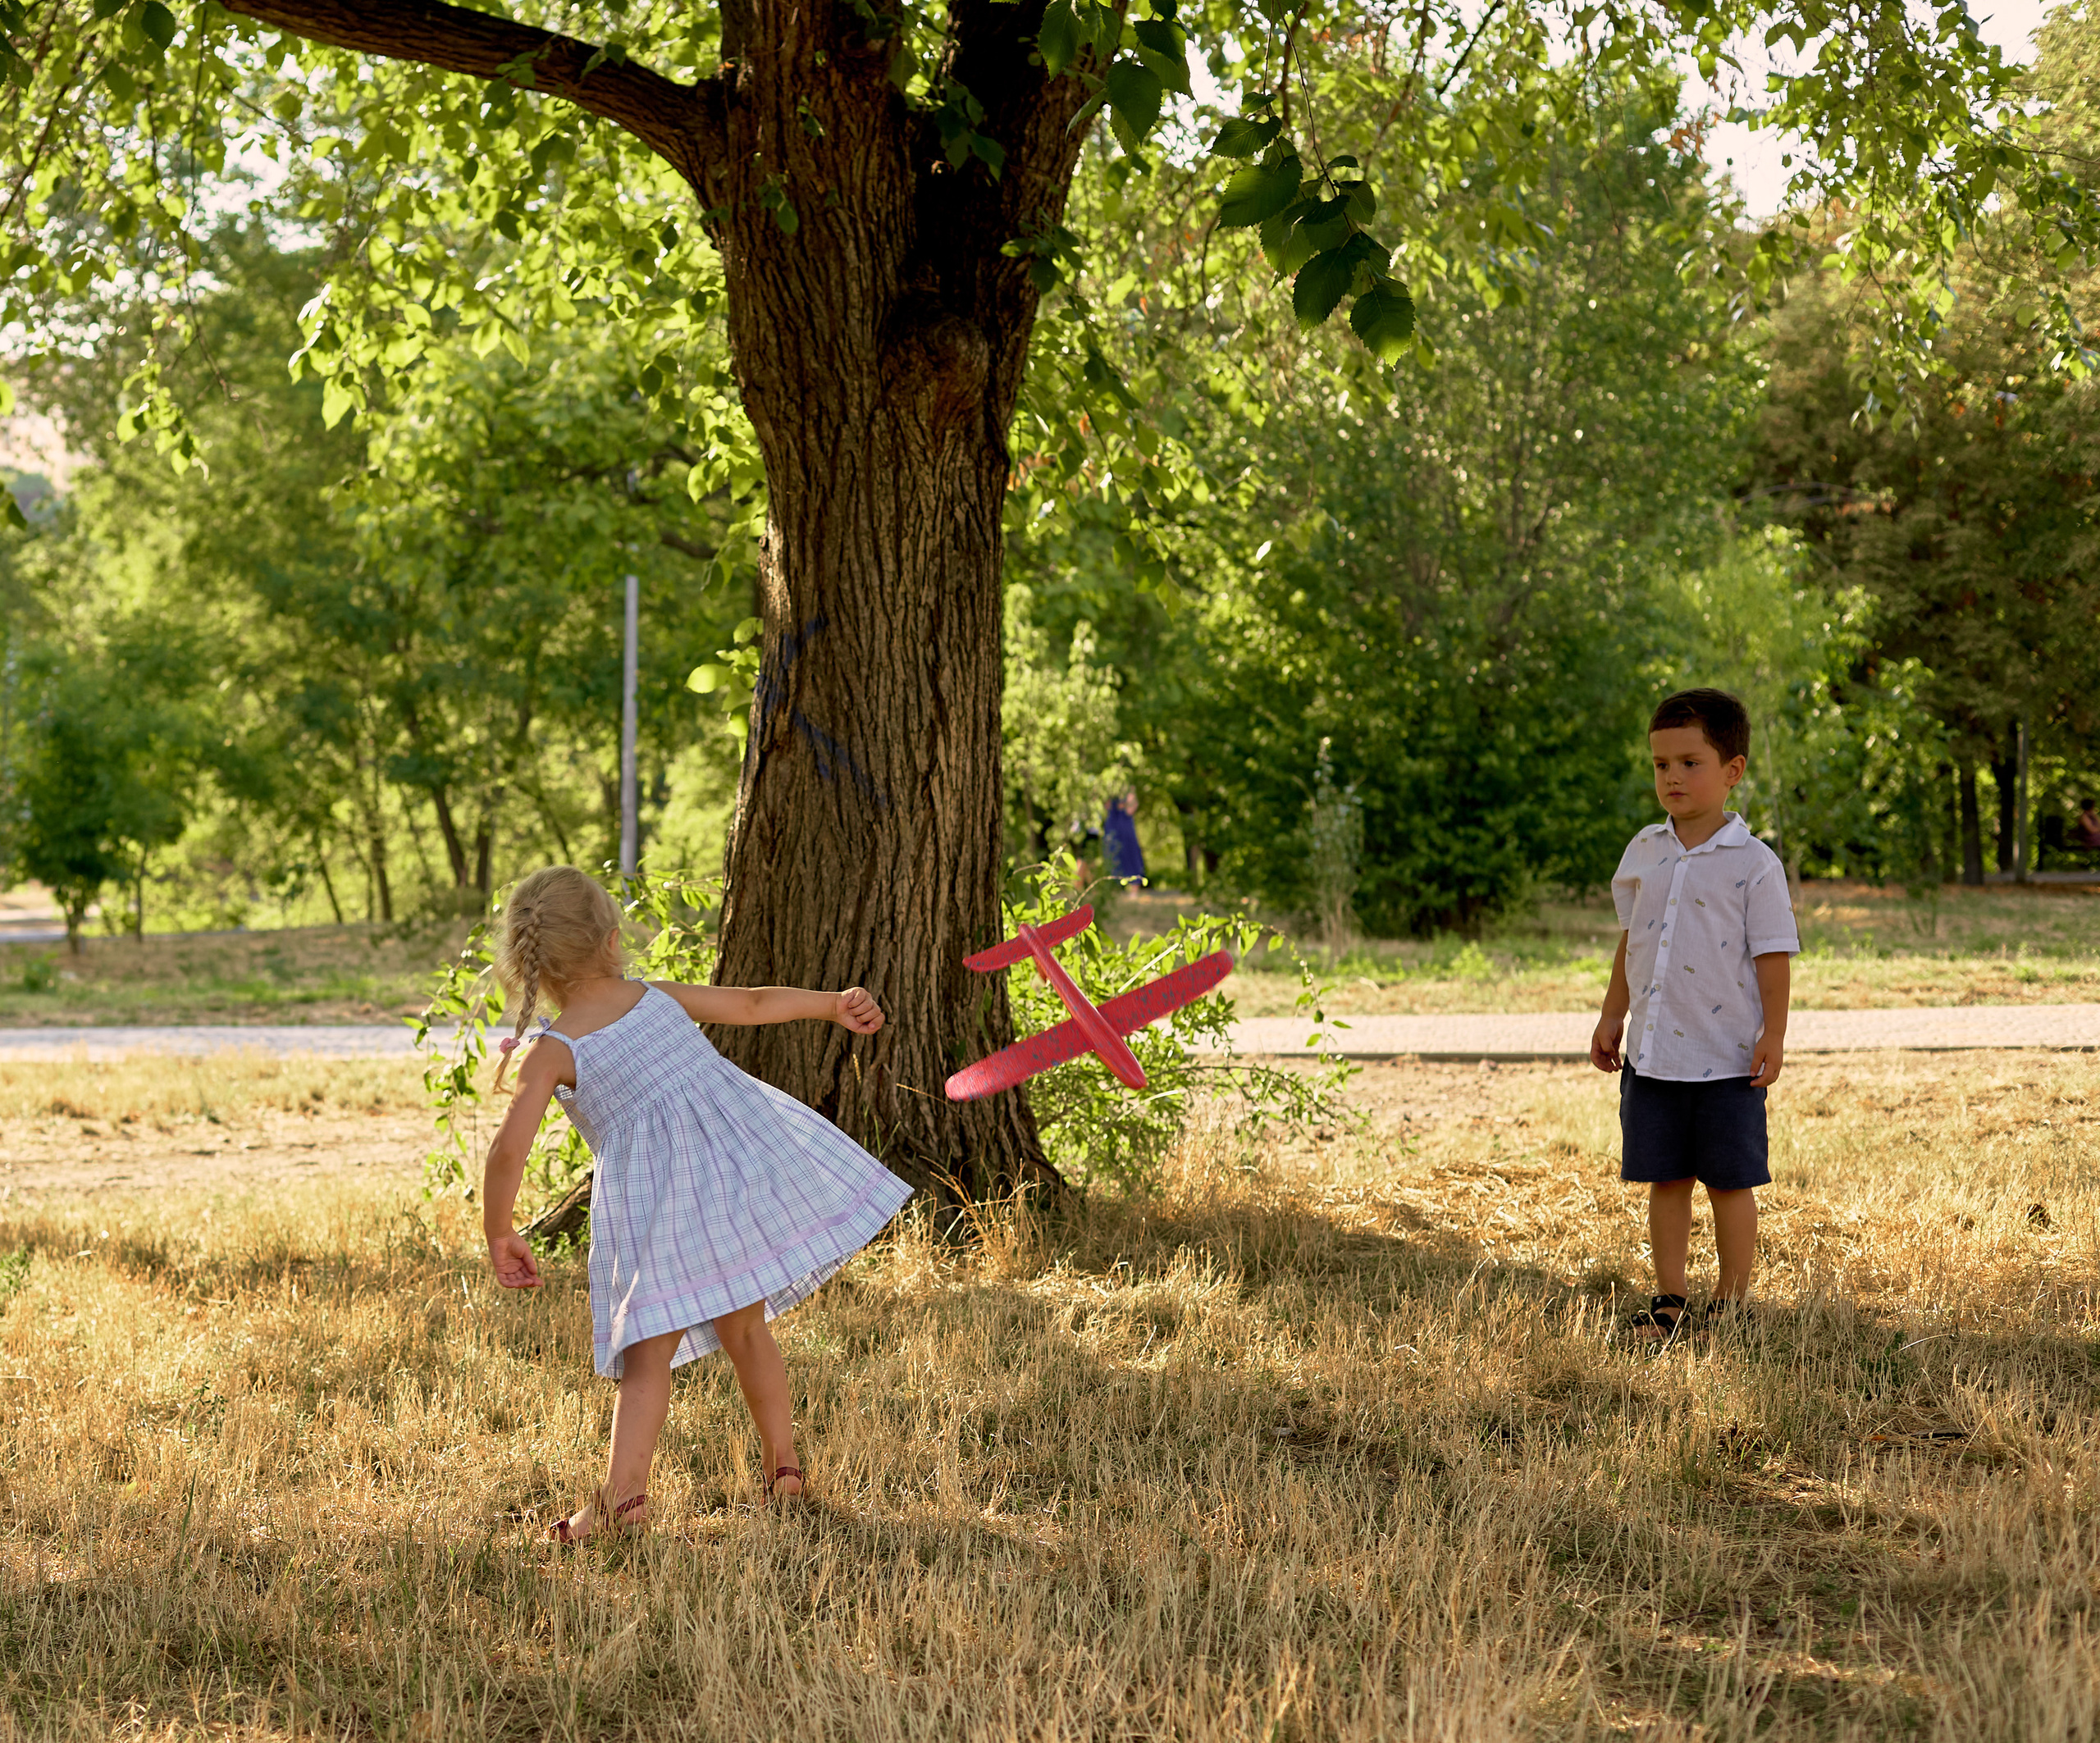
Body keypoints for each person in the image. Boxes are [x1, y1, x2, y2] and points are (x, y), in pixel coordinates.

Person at [479, 865, 913, 1538]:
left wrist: (500, 1229)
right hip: (731, 1178)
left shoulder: (555, 1049)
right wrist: (832, 1003)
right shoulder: (652, 996)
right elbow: (752, 1003)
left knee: (646, 1360)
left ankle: (622, 1506)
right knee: (747, 1327)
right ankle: (784, 1470)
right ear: (611, 939)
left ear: (528, 964)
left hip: (660, 1211)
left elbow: (508, 1150)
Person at [1590, 690, 1800, 1343]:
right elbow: (1634, 941)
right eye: (1660, 765)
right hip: (1654, 1056)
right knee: (1667, 1179)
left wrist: (1775, 1031)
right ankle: (1671, 1299)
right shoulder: (1645, 851)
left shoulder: (1754, 863)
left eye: (1689, 762)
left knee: (1731, 1184)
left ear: (1732, 769)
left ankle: (1732, 1305)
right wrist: (1611, 1014)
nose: (1672, 777)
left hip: (1728, 1057)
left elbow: (1773, 955)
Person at [1102, 787, 1146, 884]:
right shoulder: (1107, 787)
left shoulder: (1127, 788)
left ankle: (1135, 885)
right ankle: (1113, 887)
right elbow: (1105, 806)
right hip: (1112, 826)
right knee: (1112, 854)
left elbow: (1131, 808)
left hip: (1125, 825)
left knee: (1131, 853)